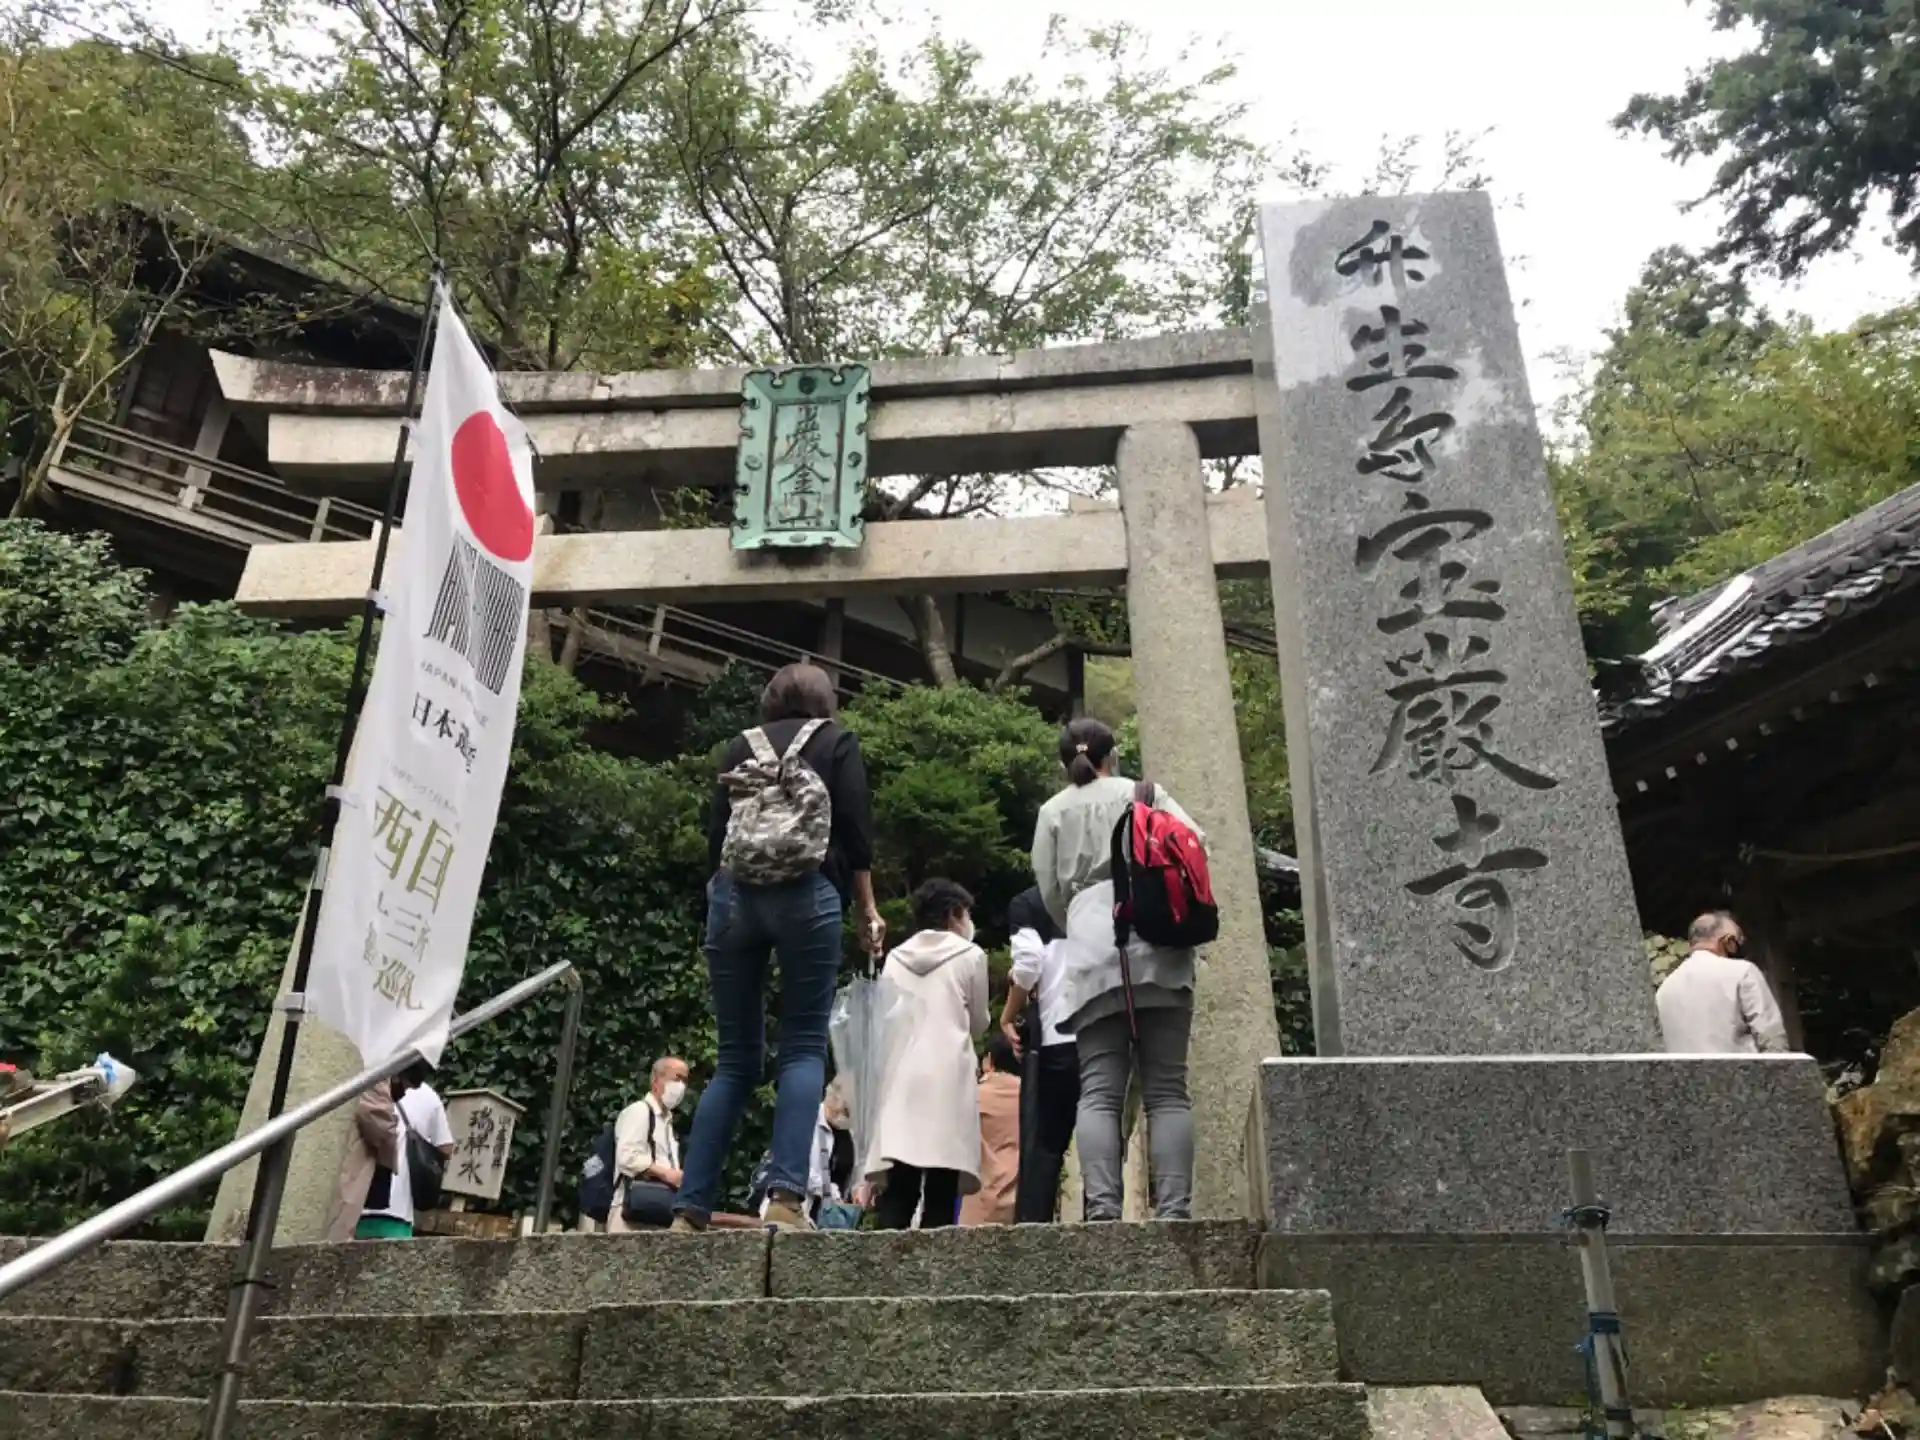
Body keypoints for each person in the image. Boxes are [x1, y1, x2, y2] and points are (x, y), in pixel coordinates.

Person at [676, 663, 885, 1233]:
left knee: (734, 1060)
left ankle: (690, 1208)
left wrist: (717, 902)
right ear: (826, 701)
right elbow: (856, 833)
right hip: (808, 893)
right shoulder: (836, 742)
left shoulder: (738, 746)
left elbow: (717, 835)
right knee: (802, 1047)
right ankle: (786, 1200)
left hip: (735, 899)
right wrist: (867, 908)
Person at [1032, 717, 1204, 1222]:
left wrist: (1082, 915)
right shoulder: (1146, 793)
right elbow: (1197, 844)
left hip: (1092, 950)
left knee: (1100, 1090)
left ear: (1065, 763)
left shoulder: (1052, 811)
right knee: (1167, 1089)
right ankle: (1174, 1211)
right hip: (1160, 942)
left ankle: (1103, 1212)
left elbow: (1049, 890)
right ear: (1113, 755)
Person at [867, 878, 989, 1230]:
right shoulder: (971, 956)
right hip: (948, 1075)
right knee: (942, 1182)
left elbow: (886, 1017)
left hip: (902, 1076)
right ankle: (937, 1259)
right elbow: (978, 1022)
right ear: (953, 914)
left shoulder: (895, 959)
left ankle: (886, 1254)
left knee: (900, 1181)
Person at [1000, 885, 1076, 1223]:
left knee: (1046, 1144)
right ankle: (1106, 1219)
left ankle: (1035, 1230)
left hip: (1058, 1034)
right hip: (1107, 1033)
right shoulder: (1104, 888)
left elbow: (1029, 963)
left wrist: (1008, 1014)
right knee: (1103, 1125)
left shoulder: (1030, 901)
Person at [1656, 910, 1790, 1055]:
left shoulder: (1665, 988)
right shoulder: (1743, 972)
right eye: (1738, 940)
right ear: (1728, 942)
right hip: (1739, 1068)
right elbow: (1772, 1038)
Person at [356, 1060, 455, 1240]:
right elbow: (446, 1148)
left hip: (357, 1202)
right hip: (399, 1209)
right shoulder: (429, 1097)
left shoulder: (366, 1081)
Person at [608, 1055, 688, 1233]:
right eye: (677, 1079)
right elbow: (627, 1157)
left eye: (685, 1081)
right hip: (630, 1211)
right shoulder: (639, 1111)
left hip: (657, 1209)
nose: (681, 1087)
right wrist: (667, 1174)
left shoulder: (667, 1122)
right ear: (656, 1081)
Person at [324, 1075, 402, 1242]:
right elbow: (379, 1121)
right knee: (337, 1233)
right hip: (351, 1170)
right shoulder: (375, 1074)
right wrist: (391, 1160)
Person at [959, 1029, 1022, 1226]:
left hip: (980, 1202)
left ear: (989, 1060)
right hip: (1021, 1202)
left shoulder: (974, 1096)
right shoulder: (1033, 1098)